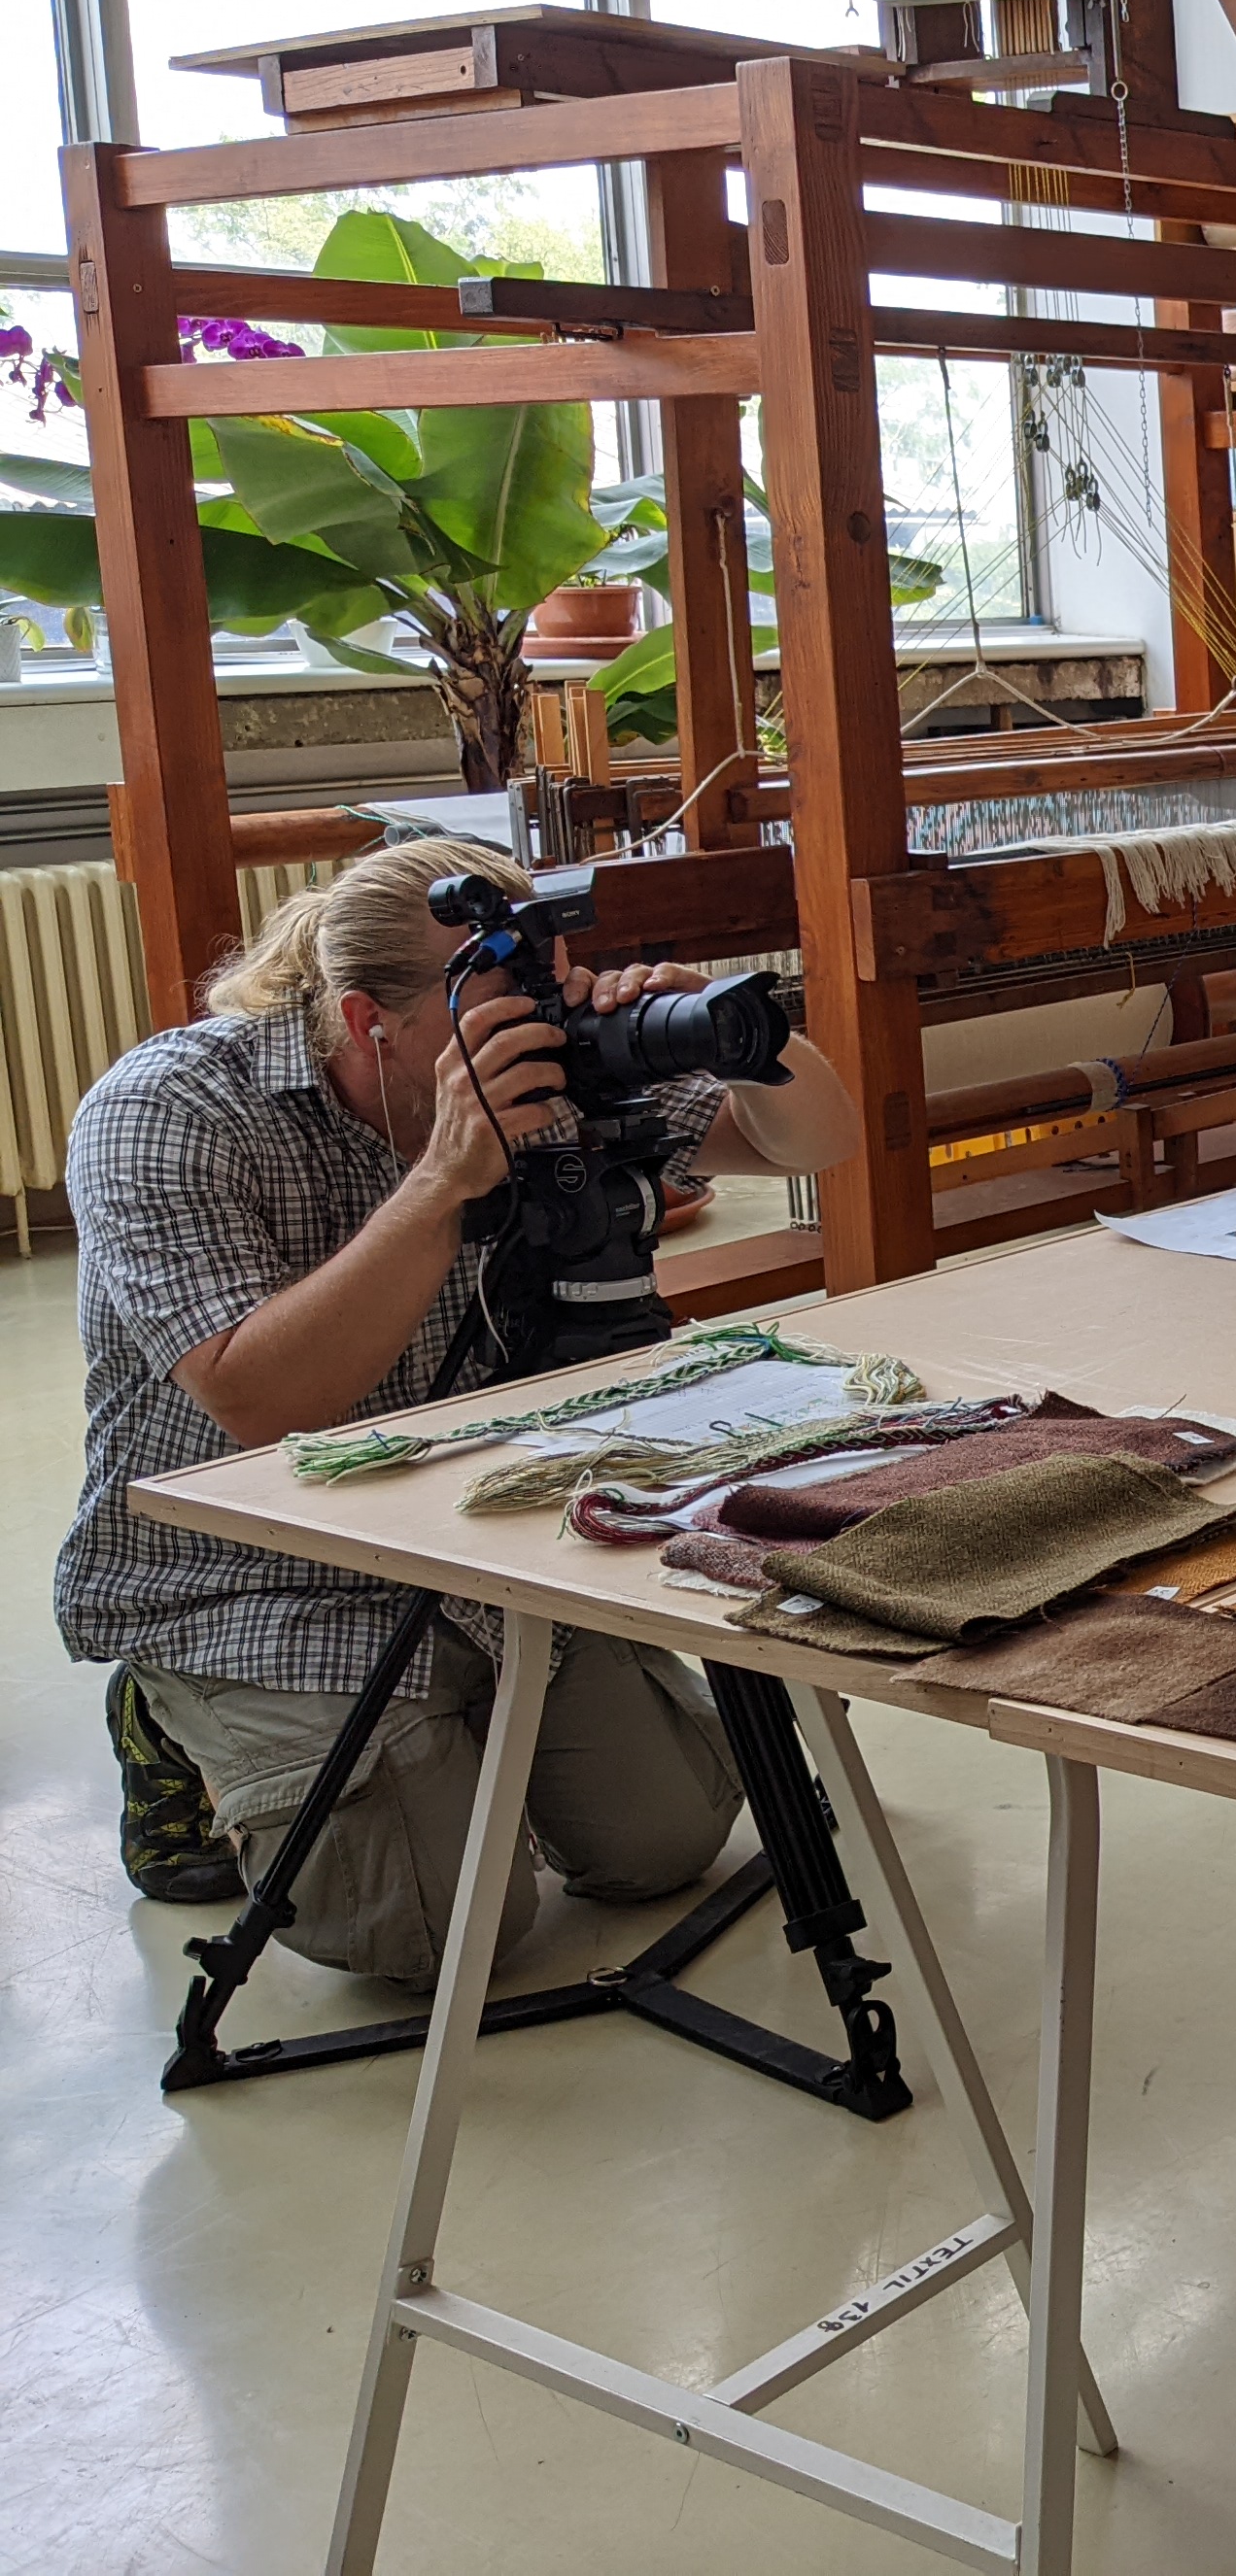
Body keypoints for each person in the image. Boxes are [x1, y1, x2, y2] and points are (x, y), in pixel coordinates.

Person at [64, 837, 866, 1984]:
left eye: (547, 996)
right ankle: (166, 1716)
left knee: (664, 1843)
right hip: (249, 1569)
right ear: (367, 1022)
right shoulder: (169, 1108)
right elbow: (260, 1399)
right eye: (495, 1018)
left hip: (471, 1530)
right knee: (435, 1931)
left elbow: (815, 1142)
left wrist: (735, 1032)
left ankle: (447, 1737)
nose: (534, 1036)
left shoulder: (546, 1050)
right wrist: (443, 1177)